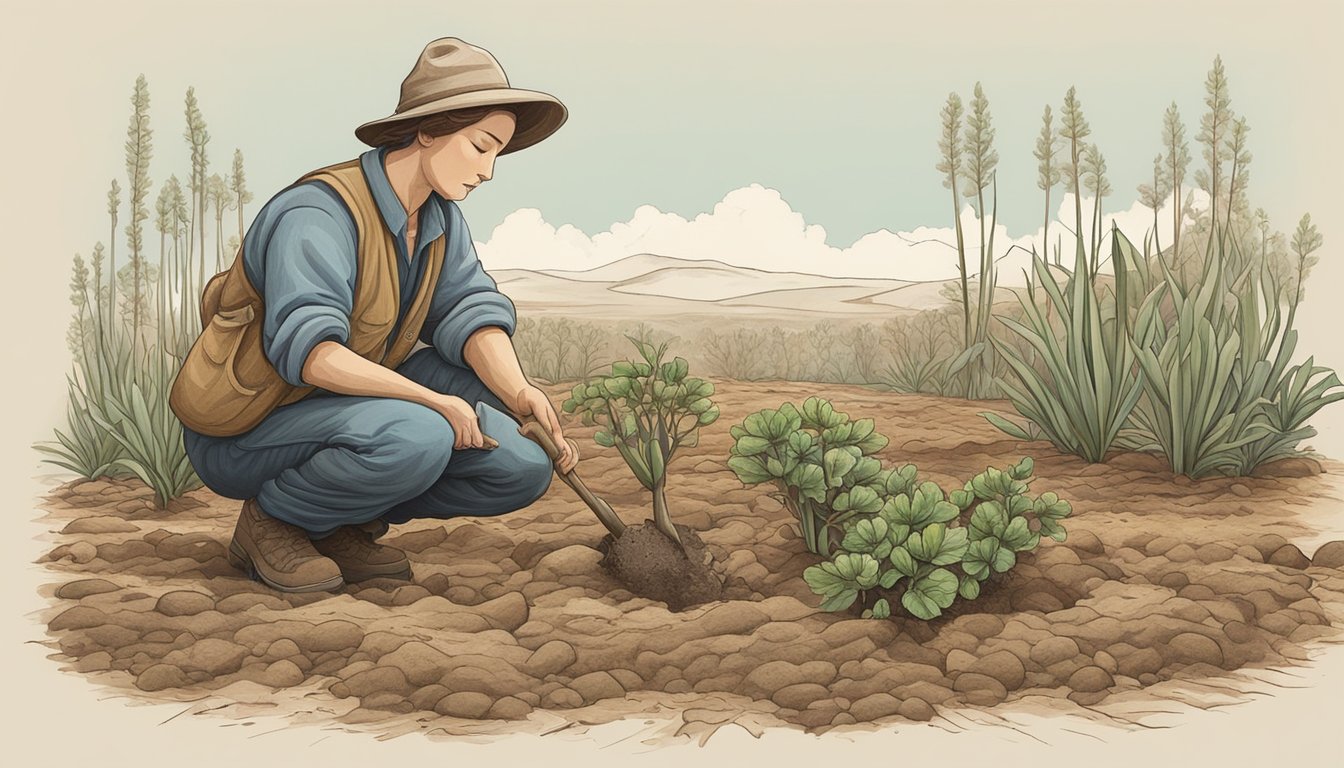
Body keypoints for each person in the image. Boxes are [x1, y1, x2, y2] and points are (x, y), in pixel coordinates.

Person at [169, 37, 577, 594]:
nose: (488, 171)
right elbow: (311, 354)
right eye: (481, 146)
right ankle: (274, 521)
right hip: (252, 424)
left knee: (522, 462)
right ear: (427, 129)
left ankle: (337, 518)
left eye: (496, 154)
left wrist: (520, 391)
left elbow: (466, 308)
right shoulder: (317, 212)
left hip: (351, 406)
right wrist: (432, 401)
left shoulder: (438, 219)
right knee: (422, 433)